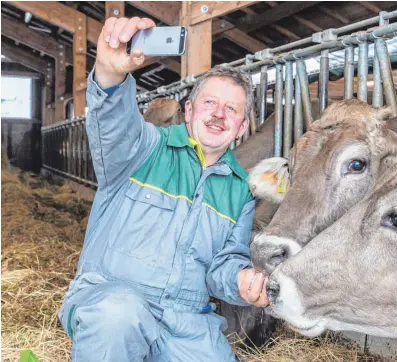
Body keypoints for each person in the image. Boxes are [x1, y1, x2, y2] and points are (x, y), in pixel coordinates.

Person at [58, 16, 268, 362]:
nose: (219, 115)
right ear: (188, 111)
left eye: (232, 109)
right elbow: (113, 123)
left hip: (185, 320)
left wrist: (241, 281)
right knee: (118, 317)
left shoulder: (240, 191)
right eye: (209, 103)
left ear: (242, 126)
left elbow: (222, 269)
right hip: (113, 297)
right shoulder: (144, 148)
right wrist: (110, 74)